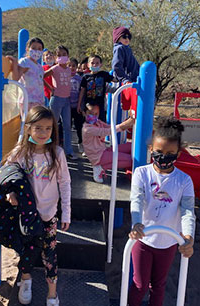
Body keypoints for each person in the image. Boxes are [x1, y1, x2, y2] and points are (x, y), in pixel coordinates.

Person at [4, 106, 71, 306]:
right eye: (38, 128)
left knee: (49, 254)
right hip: (25, 214)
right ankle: (26, 281)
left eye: (48, 128)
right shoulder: (20, 152)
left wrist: (66, 212)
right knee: (26, 250)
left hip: (49, 215)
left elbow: (65, 183)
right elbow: (7, 176)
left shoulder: (57, 153)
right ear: (28, 129)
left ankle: (52, 293)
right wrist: (11, 193)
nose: (43, 133)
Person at [128, 116, 195, 306]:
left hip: (167, 243)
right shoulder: (142, 173)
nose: (163, 157)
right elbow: (137, 200)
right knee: (139, 284)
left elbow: (188, 211)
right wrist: (135, 223)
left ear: (178, 154)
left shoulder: (184, 181)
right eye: (158, 151)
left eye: (169, 153)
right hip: (143, 239)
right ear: (151, 149)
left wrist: (188, 237)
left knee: (158, 285)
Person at [82, 103, 133, 183]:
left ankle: (100, 166)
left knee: (130, 146)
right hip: (98, 156)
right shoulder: (87, 129)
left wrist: (125, 125)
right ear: (84, 113)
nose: (94, 116)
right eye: (91, 114)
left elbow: (110, 127)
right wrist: (124, 125)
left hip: (103, 150)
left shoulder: (98, 122)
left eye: (96, 114)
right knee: (130, 160)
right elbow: (106, 131)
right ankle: (100, 167)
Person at [44, 45, 77, 160]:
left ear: (67, 56)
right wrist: (50, 88)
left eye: (64, 54)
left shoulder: (68, 69)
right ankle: (50, 150)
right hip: (56, 99)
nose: (62, 57)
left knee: (67, 126)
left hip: (66, 100)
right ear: (56, 57)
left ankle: (68, 151)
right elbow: (42, 76)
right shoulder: (54, 69)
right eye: (59, 55)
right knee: (52, 125)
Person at [7, 37, 49, 114]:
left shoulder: (39, 67)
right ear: (27, 49)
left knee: (37, 123)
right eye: (33, 48)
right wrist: (15, 64)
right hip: (28, 101)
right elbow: (16, 78)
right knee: (28, 124)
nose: (36, 51)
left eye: (39, 49)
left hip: (39, 100)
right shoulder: (25, 62)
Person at [77, 55, 115, 122]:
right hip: (89, 105)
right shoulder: (86, 77)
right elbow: (82, 91)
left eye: (97, 63)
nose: (94, 65)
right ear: (88, 65)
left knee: (100, 122)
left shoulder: (103, 75)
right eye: (92, 63)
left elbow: (115, 79)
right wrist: (79, 104)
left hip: (100, 104)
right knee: (90, 123)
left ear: (100, 65)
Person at [112, 27, 140, 114]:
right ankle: (127, 124)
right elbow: (116, 66)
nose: (127, 39)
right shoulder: (119, 48)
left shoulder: (127, 48)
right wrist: (124, 79)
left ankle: (131, 124)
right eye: (124, 37)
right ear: (117, 38)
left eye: (129, 37)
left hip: (133, 78)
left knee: (135, 106)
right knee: (129, 106)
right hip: (126, 79)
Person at [68, 57, 84, 154]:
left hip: (77, 107)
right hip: (67, 107)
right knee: (67, 127)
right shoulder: (64, 77)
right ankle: (68, 145)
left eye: (74, 65)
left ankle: (81, 143)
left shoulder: (79, 79)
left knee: (79, 127)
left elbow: (82, 93)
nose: (72, 67)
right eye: (69, 65)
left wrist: (80, 106)